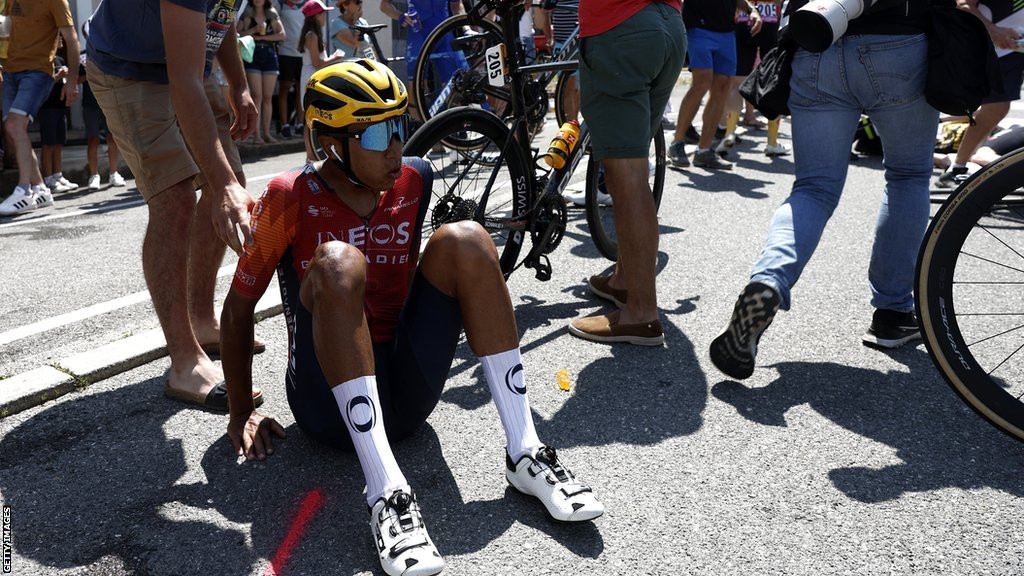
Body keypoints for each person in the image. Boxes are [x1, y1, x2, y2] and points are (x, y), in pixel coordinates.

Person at [221, 59, 604, 576]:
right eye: (380, 133)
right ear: (331, 142)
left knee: (466, 238)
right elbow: (239, 304)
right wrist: (240, 410)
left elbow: (445, 279)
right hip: (324, 408)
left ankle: (526, 450)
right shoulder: (288, 197)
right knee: (338, 262)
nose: (399, 148)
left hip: (408, 392)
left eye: (400, 126)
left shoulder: (414, 180)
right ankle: (386, 492)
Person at [709, 0, 937, 380]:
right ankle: (893, 314)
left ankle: (768, 279)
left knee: (813, 189)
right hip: (899, 43)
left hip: (817, 39)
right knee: (907, 177)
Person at [86, 0, 265, 409]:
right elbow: (183, 81)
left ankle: (202, 320)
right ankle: (184, 360)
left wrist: (237, 83)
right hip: (128, 69)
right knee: (176, 197)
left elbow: (220, 13)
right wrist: (219, 188)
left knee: (232, 180)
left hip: (188, 65)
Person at [567, 0, 686, 346]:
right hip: (669, 24)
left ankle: (641, 313)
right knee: (633, 169)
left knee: (627, 177)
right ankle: (624, 280)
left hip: (619, 26)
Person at [0, 0, 79, 217]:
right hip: (10, 72)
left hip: (37, 71)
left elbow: (71, 39)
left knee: (15, 125)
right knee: (14, 130)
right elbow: (4, 31)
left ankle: (24, 191)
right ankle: (42, 190)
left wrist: (72, 81)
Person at [935, 0, 1024, 188]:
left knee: (996, 108)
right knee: (996, 108)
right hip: (996, 47)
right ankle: (957, 168)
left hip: (1017, 45)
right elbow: (964, 5)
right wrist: (994, 31)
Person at [667, 0, 761, 171]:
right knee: (702, 82)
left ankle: (704, 151)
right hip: (698, 26)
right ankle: (677, 143)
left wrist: (751, 10)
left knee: (723, 87)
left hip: (726, 31)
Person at [79, 23, 126, 190]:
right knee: (92, 139)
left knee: (112, 137)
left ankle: (114, 173)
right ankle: (94, 175)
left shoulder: (109, 53)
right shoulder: (82, 56)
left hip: (108, 101)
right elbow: (77, 80)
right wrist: (89, 72)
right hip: (90, 104)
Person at [298, 0, 346, 160]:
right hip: (311, 79)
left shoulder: (314, 34)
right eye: (322, 13)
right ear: (315, 16)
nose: (324, 16)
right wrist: (335, 57)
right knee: (309, 119)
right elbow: (317, 63)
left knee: (314, 117)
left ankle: (312, 155)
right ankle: (310, 155)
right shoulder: (312, 35)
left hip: (314, 78)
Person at [239, 0, 286, 144]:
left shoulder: (272, 15)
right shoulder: (247, 16)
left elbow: (282, 35)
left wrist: (260, 37)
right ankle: (256, 135)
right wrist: (254, 31)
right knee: (257, 96)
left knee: (267, 97)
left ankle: (266, 133)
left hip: (270, 55)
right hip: (253, 55)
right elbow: (237, 34)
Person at [38, 43, 77, 194]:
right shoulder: (42, 60)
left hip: (60, 106)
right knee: (48, 144)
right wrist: (58, 77)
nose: (60, 40)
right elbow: (40, 85)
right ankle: (48, 180)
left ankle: (58, 176)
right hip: (47, 107)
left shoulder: (59, 59)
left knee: (59, 143)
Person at [277, 0, 307, 139]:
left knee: (301, 90)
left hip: (303, 54)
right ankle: (284, 125)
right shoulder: (280, 3)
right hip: (285, 52)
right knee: (285, 87)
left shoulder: (307, 3)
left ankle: (300, 124)